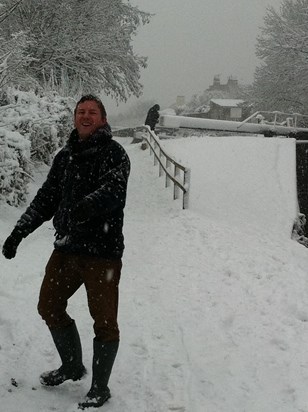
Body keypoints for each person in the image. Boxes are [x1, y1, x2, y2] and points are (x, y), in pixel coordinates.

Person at [2, 95, 130, 410]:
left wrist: (85, 207)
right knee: (49, 305)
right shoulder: (65, 156)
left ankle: (100, 387)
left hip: (102, 253)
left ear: (102, 119)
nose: (86, 116)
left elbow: (113, 192)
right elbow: (46, 198)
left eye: (92, 112)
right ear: (74, 118)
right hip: (67, 249)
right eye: (81, 112)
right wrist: (19, 232)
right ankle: (72, 365)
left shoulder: (115, 155)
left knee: (104, 321)